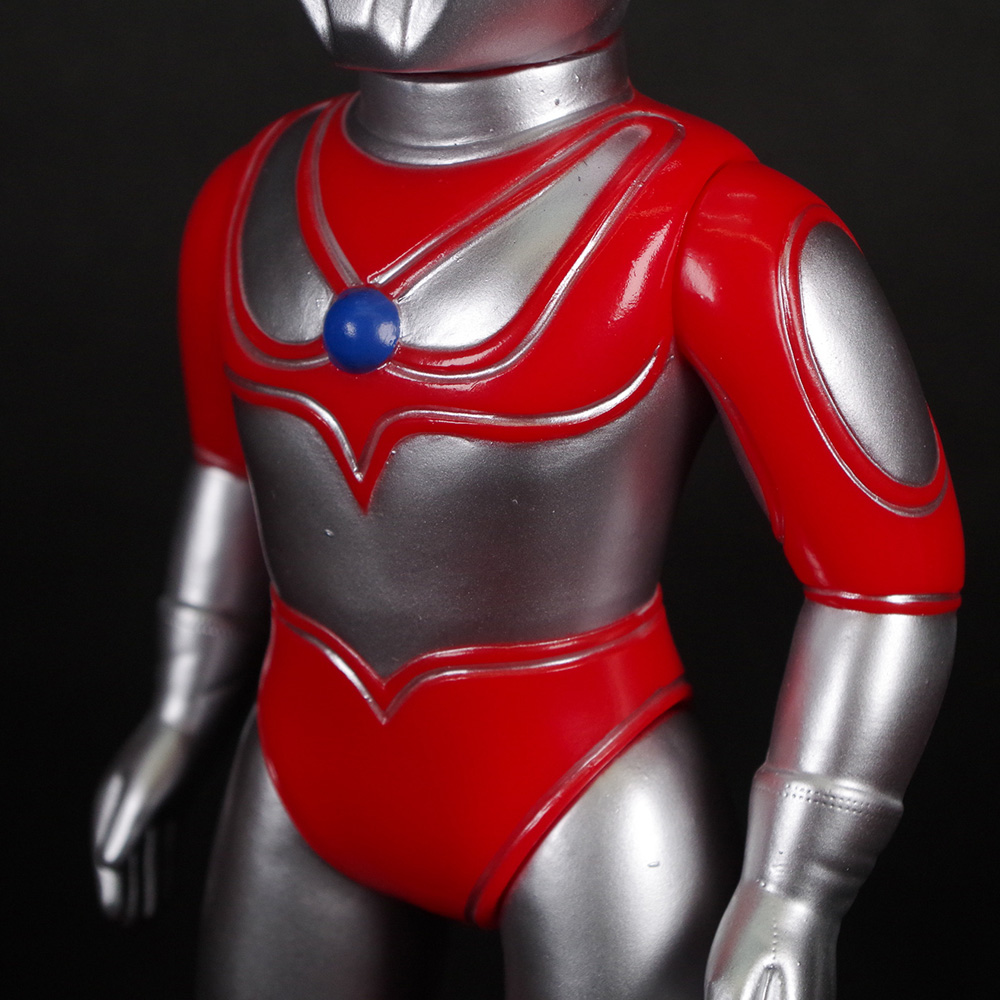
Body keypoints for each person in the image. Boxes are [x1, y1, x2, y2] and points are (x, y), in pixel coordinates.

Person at [92, 3, 963, 997]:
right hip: (300, 771)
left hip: (584, 796)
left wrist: (800, 882)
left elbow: (888, 581)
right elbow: (230, 472)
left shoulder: (720, 225)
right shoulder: (249, 193)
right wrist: (177, 715)